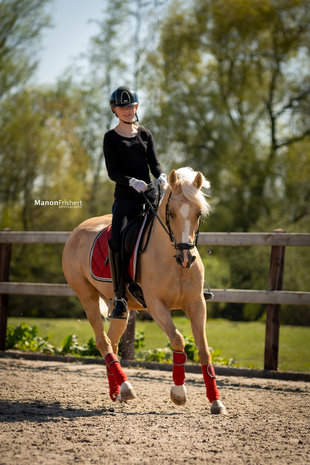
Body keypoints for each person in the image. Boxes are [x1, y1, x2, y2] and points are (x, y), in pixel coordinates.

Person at [103, 86, 168, 319]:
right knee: (117, 241)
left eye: (131, 106)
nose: (128, 111)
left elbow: (155, 163)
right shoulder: (110, 138)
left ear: (137, 107)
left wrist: (160, 176)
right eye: (123, 107)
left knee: (175, 228)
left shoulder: (145, 135)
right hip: (126, 198)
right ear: (115, 110)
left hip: (149, 196)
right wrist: (130, 181)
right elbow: (112, 172)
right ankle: (120, 297)